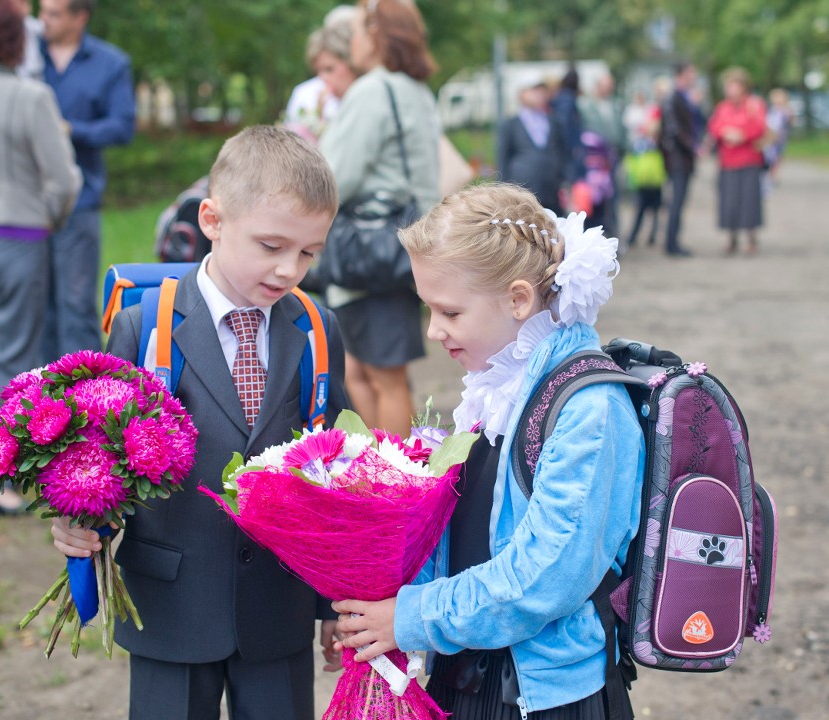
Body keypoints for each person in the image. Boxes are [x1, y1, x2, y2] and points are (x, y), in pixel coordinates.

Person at [50, 126, 349, 720]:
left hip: (277, 603)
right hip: (172, 602)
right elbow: (106, 457)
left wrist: (335, 599)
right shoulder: (146, 326)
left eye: (309, 252)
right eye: (271, 245)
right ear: (212, 220)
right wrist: (82, 522)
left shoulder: (316, 331)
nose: (290, 268)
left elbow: (331, 470)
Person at [331, 182, 645, 719]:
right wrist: (375, 605)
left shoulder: (589, 409)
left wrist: (410, 617)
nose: (433, 331)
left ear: (518, 300)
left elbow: (543, 578)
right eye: (428, 309)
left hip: (543, 697)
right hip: (468, 673)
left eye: (450, 313)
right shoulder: (496, 387)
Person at [0, 0, 82, 514]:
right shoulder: (31, 97)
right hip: (19, 239)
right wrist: (50, 216)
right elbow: (63, 180)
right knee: (12, 360)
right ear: (18, 39)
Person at [319, 0, 440, 438]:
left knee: (375, 375)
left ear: (376, 34)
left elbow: (334, 176)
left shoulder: (373, 90)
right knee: (371, 371)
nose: (351, 41)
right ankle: (382, 472)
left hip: (368, 253)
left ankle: (390, 478)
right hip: (401, 246)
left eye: (356, 30)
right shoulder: (417, 91)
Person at [39, 0, 135, 363]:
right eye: (41, 11)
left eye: (53, 13)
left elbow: (122, 126)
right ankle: (38, 401)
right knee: (38, 308)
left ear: (80, 17)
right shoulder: (25, 58)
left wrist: (70, 130)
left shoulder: (110, 63)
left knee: (76, 304)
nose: (42, 20)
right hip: (28, 204)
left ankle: (83, 401)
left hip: (80, 200)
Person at [706, 67, 767, 255]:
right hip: (728, 162)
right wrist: (725, 132)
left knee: (749, 201)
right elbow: (714, 127)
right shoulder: (723, 107)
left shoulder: (754, 104)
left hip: (749, 160)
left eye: (733, 85)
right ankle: (732, 238)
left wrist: (742, 135)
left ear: (743, 86)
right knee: (729, 201)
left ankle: (751, 238)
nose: (729, 89)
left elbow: (760, 126)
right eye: (728, 86)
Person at [285, 5, 360, 144]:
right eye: (319, 70)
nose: (323, 78)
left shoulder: (369, 92)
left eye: (329, 69)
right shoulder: (305, 94)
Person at [496, 80, 569, 214]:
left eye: (541, 91)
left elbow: (562, 152)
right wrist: (503, 187)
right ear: (521, 94)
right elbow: (503, 156)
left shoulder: (553, 122)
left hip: (551, 188)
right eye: (533, 91)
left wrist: (564, 179)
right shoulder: (512, 124)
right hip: (522, 187)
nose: (538, 95)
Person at [624, 77, 670, 248]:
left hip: (653, 167)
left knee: (654, 205)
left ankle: (649, 234)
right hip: (647, 167)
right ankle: (637, 235)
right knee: (643, 204)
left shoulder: (655, 110)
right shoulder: (652, 111)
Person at [580, 73, 626, 236]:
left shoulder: (615, 105)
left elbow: (622, 131)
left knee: (613, 200)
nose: (609, 89)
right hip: (595, 162)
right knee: (595, 201)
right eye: (606, 85)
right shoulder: (586, 106)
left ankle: (613, 235)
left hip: (613, 159)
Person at [659, 61, 698, 257]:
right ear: (682, 74)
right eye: (692, 73)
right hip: (678, 159)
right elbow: (674, 130)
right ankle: (671, 243)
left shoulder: (681, 97)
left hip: (681, 158)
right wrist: (693, 147)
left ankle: (673, 241)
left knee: (679, 201)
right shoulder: (673, 97)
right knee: (676, 201)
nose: (695, 77)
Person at [763, 87, 794, 184]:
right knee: (771, 156)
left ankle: (774, 174)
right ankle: (771, 173)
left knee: (777, 157)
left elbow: (789, 122)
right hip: (771, 136)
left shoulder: (786, 110)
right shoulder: (771, 109)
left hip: (780, 138)